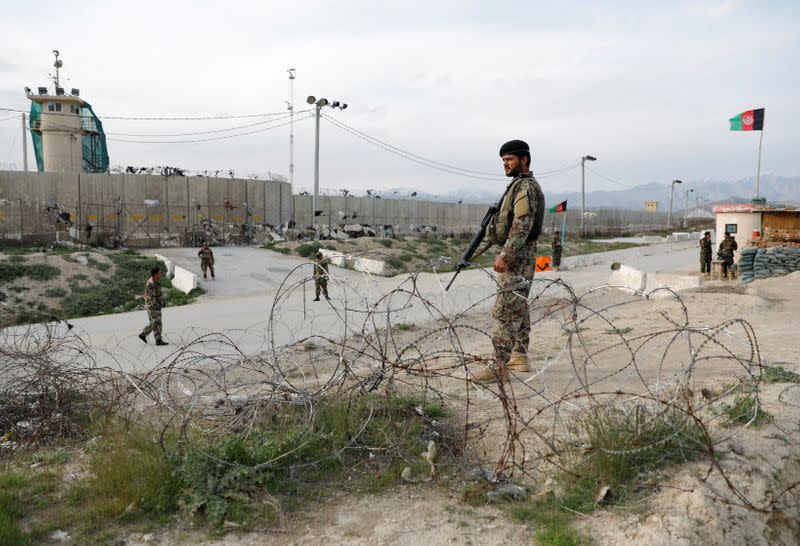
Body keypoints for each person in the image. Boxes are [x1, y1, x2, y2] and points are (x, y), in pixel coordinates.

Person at [472, 140, 545, 384]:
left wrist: (505, 254)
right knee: (518, 306)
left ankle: (499, 366)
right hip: (522, 258)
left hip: (517, 259)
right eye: (503, 160)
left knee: (506, 310)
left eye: (510, 159)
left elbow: (521, 224)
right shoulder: (518, 186)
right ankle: (519, 355)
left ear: (524, 159)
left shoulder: (524, 186)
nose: (505, 163)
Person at [138, 267, 168, 346]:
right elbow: (152, 298)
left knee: (157, 322)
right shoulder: (151, 283)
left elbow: (159, 293)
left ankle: (158, 339)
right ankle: (144, 333)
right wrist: (157, 305)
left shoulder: (155, 281)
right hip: (152, 306)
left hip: (156, 305)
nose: (160, 274)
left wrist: (162, 302)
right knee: (155, 322)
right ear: (155, 274)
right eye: (159, 273)